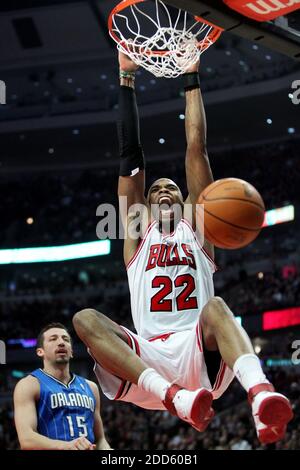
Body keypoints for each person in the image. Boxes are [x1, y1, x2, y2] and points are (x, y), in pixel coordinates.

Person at [73, 51, 293, 445]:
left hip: (200, 348)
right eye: (155, 188)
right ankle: (173, 396)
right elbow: (130, 157)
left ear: (184, 199)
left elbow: (196, 147)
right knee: (86, 319)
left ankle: (260, 395)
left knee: (217, 307)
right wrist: (126, 79)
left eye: (170, 188)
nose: (161, 191)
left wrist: (191, 75)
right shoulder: (138, 231)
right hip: (147, 361)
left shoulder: (200, 227)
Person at [13, 322, 111, 450]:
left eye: (66, 339)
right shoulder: (29, 385)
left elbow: (100, 439)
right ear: (40, 351)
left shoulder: (91, 387)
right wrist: (66, 446)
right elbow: (27, 439)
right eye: (53, 339)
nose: (61, 342)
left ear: (71, 352)